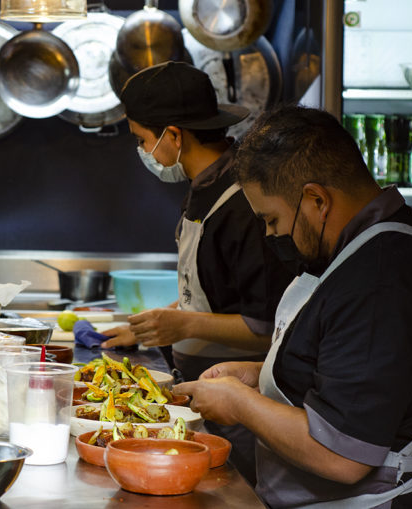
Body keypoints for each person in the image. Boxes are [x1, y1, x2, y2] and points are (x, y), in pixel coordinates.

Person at [175, 105, 412, 508]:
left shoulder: (380, 275)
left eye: (272, 220)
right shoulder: (359, 247)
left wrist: (239, 403)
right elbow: (354, 367)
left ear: (316, 200)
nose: (271, 235)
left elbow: (344, 455)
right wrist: (261, 375)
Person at [100, 61, 294, 483]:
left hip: (238, 402)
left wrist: (182, 323)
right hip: (203, 392)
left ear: (173, 135)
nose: (142, 152)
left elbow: (267, 327)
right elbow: (209, 292)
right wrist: (153, 326)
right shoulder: (203, 185)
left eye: (142, 140)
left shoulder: (244, 204)